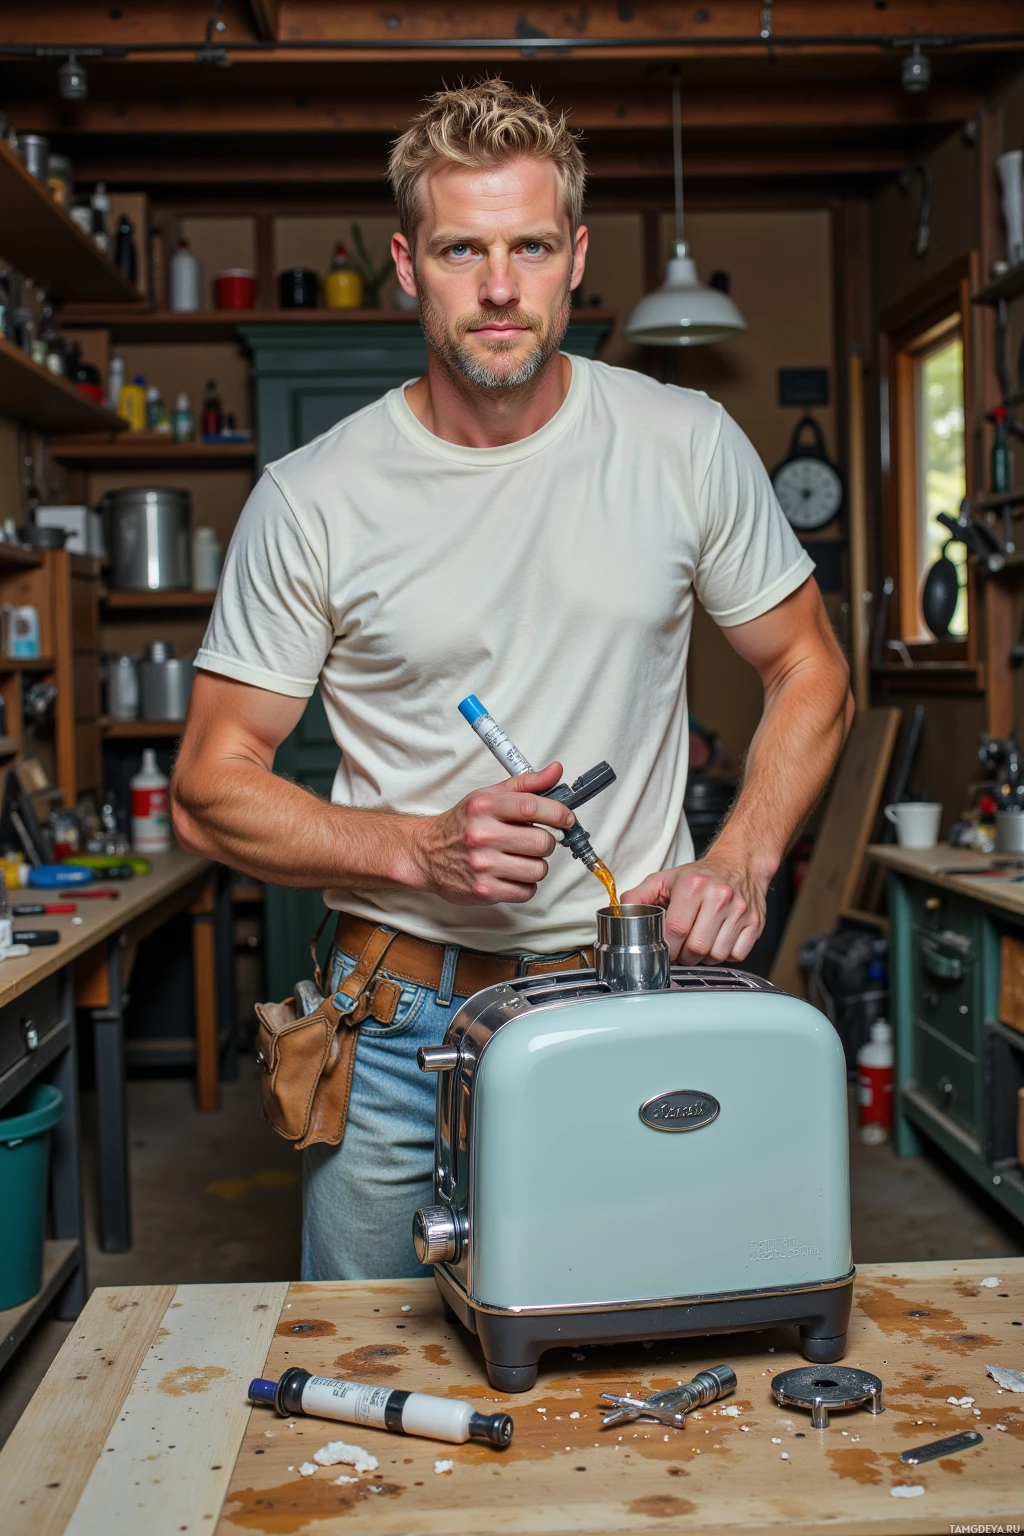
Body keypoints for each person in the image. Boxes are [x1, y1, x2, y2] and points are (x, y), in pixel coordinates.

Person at [172, 79, 853, 1282]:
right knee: (367, 1398)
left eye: (529, 246)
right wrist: (412, 851)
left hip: (622, 996)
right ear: (406, 263)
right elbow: (208, 787)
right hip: (393, 1033)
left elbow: (809, 668)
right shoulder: (312, 497)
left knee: (631, 1364)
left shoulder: (681, 442)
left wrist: (740, 856)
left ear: (574, 256)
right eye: (461, 249)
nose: (498, 285)